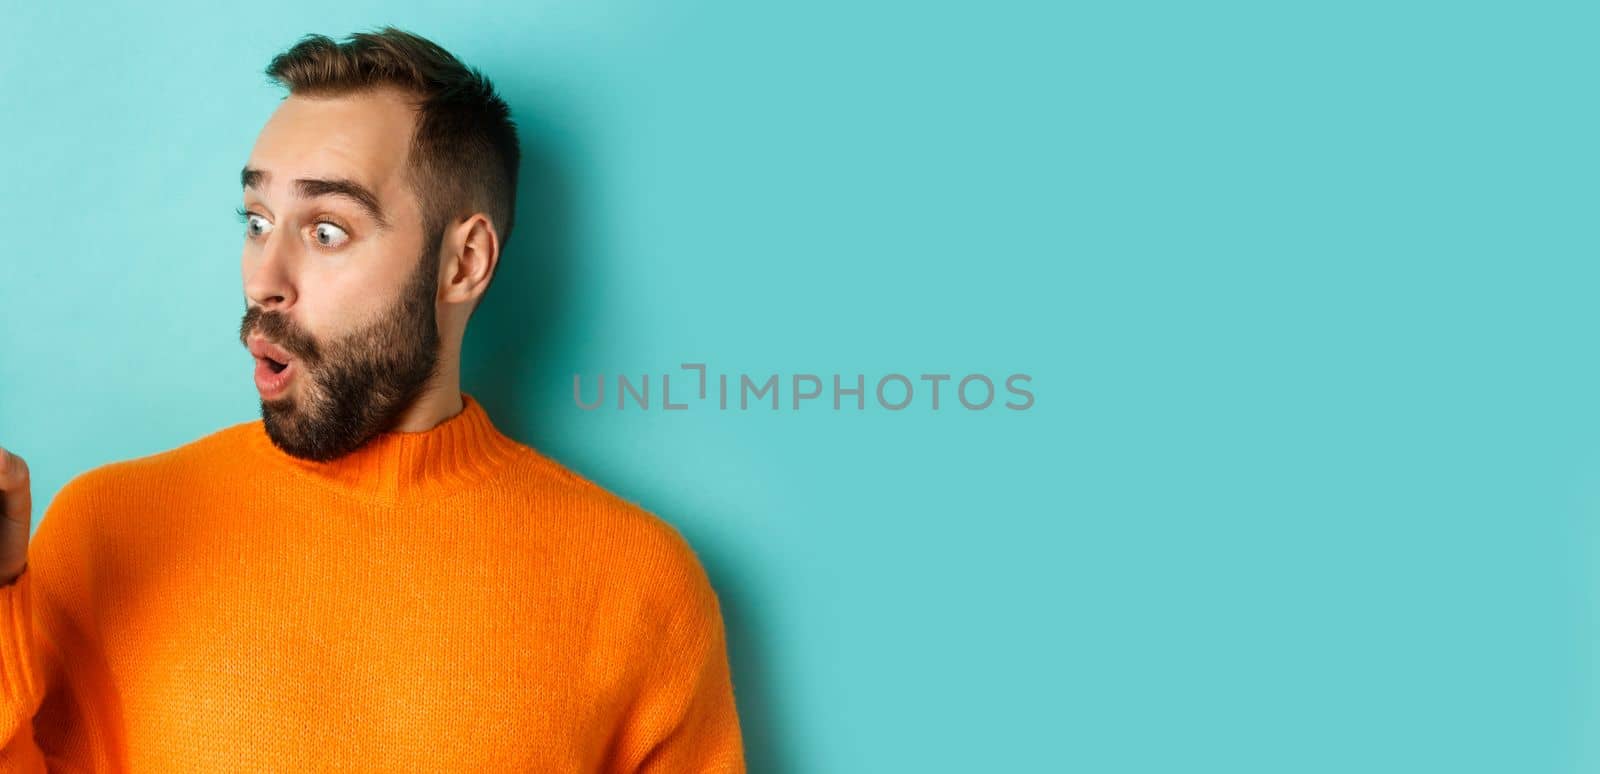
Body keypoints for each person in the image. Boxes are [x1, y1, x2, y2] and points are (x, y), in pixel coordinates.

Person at [0, 27, 745, 771]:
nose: (266, 276)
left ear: (463, 263)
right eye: (256, 221)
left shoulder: (638, 586)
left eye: (327, 231)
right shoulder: (106, 531)